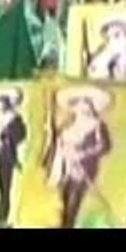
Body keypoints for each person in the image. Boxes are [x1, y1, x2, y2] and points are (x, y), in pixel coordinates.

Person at [43, 85, 113, 229]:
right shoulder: (69, 126)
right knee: (65, 200)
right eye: (79, 103)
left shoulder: (97, 125)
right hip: (66, 168)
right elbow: (58, 142)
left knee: (73, 202)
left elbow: (104, 146)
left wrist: (83, 153)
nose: (82, 107)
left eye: (85, 103)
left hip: (83, 170)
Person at [0, 88, 27, 226]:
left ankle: (3, 218)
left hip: (7, 159)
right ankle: (0, 216)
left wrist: (6, 138)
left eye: (1, 102)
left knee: (5, 189)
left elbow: (21, 134)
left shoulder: (14, 119)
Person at [87, 12, 126, 80]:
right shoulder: (102, 49)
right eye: (109, 36)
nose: (112, 39)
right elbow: (93, 69)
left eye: (116, 34)